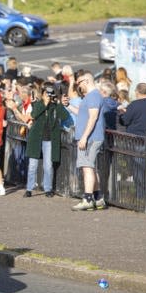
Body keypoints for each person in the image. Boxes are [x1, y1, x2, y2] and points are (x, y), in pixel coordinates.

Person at [23, 82, 70, 198]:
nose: (48, 97)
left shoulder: (55, 106)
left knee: (48, 166)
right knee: (33, 165)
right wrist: (44, 103)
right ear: (43, 94)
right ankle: (29, 189)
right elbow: (33, 115)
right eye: (46, 94)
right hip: (36, 139)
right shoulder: (38, 104)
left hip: (49, 140)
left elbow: (65, 116)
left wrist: (58, 103)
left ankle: (48, 188)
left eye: (50, 94)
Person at [71, 72, 107, 211]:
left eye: (79, 83)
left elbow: (93, 118)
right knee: (91, 168)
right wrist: (68, 106)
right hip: (91, 137)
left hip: (90, 138)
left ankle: (87, 199)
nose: (78, 86)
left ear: (86, 81)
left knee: (87, 168)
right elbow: (82, 114)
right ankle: (98, 198)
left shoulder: (92, 96)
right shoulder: (91, 96)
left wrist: (84, 137)